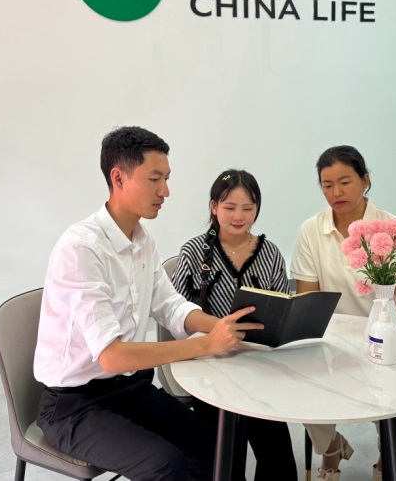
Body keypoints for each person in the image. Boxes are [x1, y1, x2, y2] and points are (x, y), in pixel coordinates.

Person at [33, 126, 262, 481]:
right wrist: (205, 345)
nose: (165, 191)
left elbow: (169, 305)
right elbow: (112, 356)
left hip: (129, 389)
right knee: (163, 463)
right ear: (118, 178)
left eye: (166, 179)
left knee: (214, 443)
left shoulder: (142, 240)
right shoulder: (81, 249)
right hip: (74, 407)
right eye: (155, 179)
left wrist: (220, 327)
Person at [290, 145, 396, 481]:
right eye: (327, 185)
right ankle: (331, 449)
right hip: (333, 339)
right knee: (303, 390)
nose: (336, 192)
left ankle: (387, 459)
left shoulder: (393, 228)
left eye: (345, 182)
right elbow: (308, 300)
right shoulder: (312, 231)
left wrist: (387, 342)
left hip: (389, 337)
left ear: (365, 181)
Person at [172, 168, 298, 481]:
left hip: (260, 364)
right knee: (224, 456)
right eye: (229, 207)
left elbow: (283, 309)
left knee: (278, 456)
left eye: (248, 208)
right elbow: (173, 313)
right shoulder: (193, 252)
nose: (239, 216)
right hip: (209, 365)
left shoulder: (270, 253)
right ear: (214, 206)